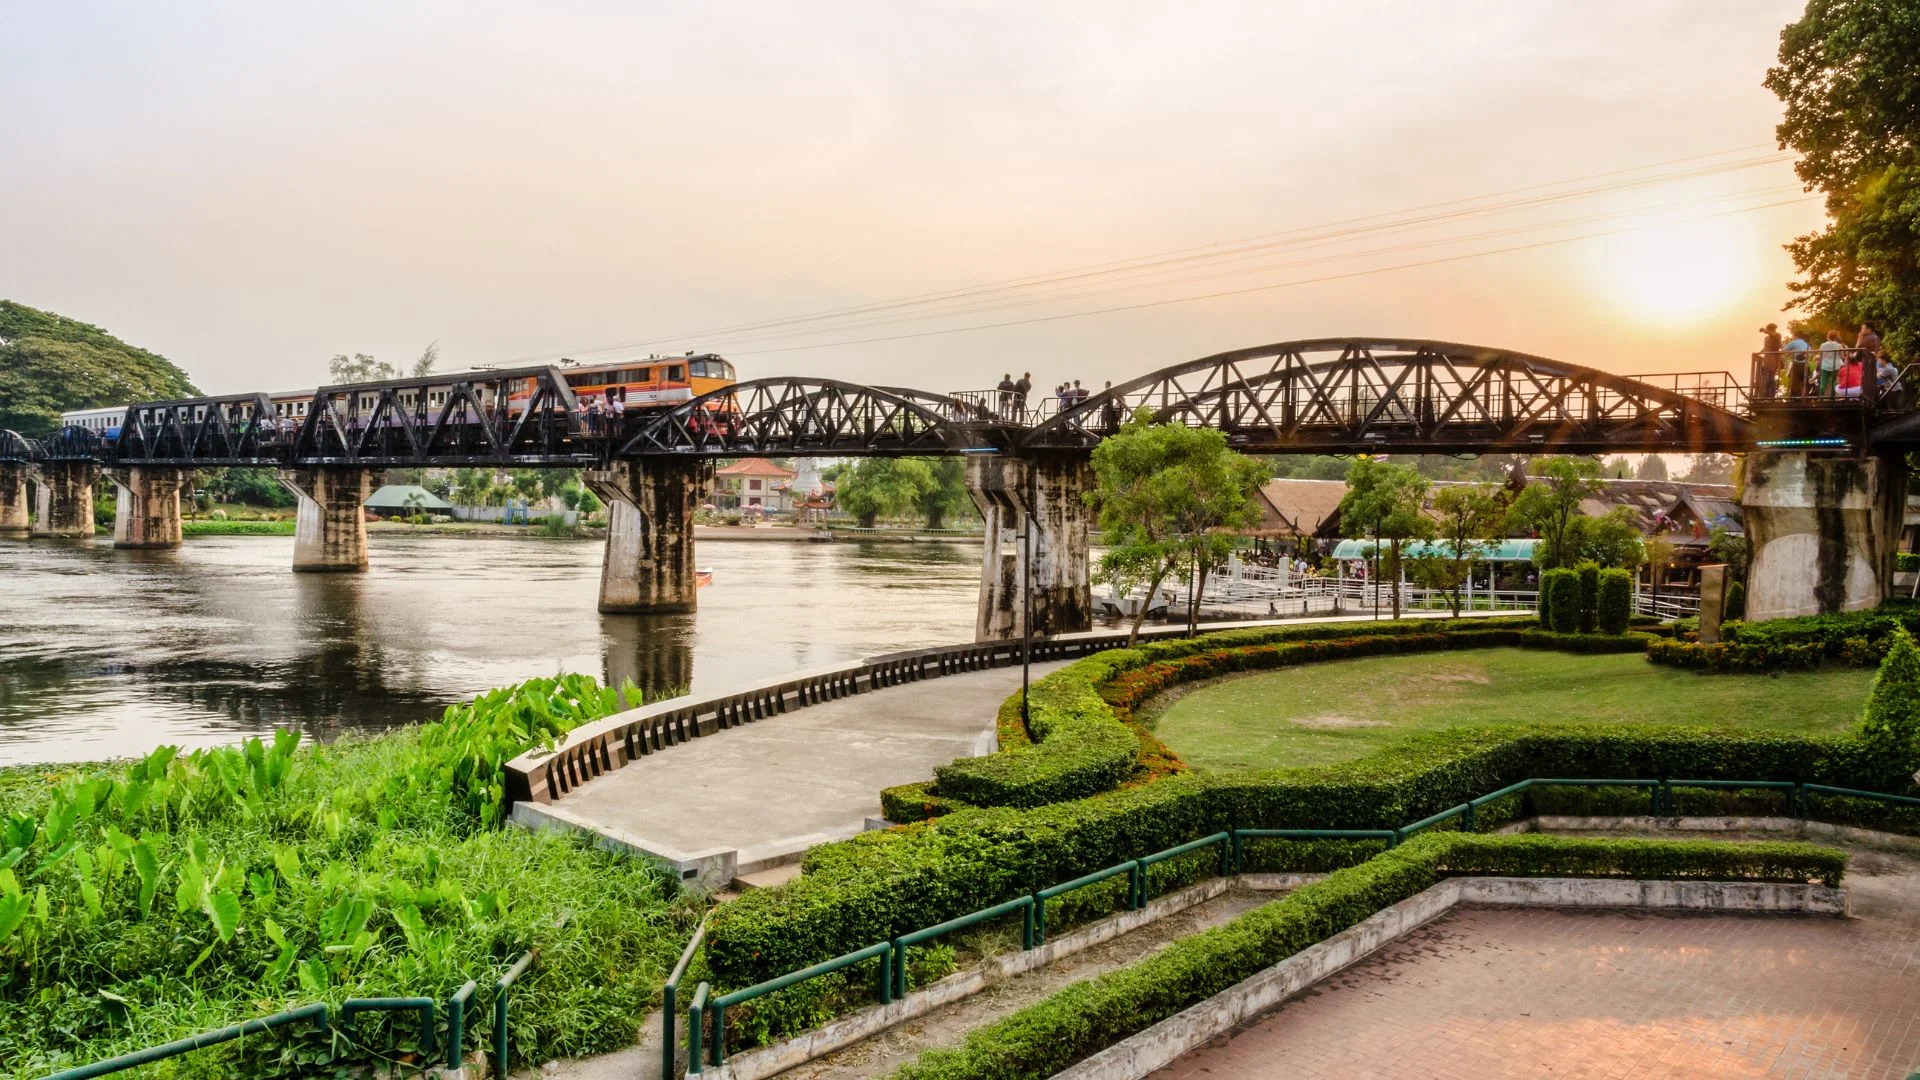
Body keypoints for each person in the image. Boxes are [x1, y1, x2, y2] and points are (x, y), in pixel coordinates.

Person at [1755, 323, 1782, 400]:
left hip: (1773, 359)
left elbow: (1773, 335)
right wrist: (1759, 353)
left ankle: (1770, 396)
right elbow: (1765, 347)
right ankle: (1764, 395)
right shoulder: (1766, 338)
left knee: (1771, 378)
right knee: (1765, 378)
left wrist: (1765, 330)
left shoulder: (1777, 335)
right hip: (1766, 360)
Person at [1818, 330, 1848, 397]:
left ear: (1828, 336)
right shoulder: (1839, 345)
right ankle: (1832, 398)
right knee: (1833, 383)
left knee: (1823, 382)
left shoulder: (1822, 345)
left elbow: (1820, 355)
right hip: (1835, 366)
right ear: (1836, 337)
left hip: (1825, 365)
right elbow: (1842, 356)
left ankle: (1821, 397)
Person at [1785, 330, 1812, 397]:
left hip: (1796, 365)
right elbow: (1810, 355)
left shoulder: (1794, 343)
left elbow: (1784, 350)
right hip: (1805, 365)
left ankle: (1795, 399)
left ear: (1796, 336)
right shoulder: (1807, 345)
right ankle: (1804, 397)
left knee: (1794, 383)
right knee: (1804, 383)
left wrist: (1791, 352)